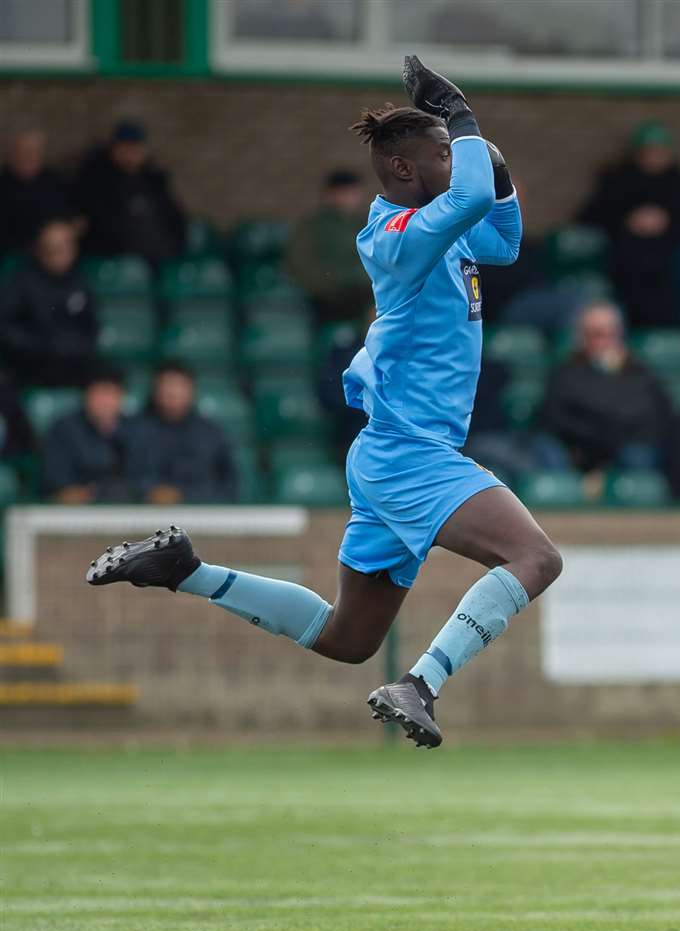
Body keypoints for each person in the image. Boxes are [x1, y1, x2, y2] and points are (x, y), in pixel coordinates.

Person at [87, 57, 560, 751]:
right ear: (404, 170)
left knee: (346, 638)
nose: (457, 165)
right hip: (409, 454)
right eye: (441, 155)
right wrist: (460, 114)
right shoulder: (395, 238)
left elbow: (506, 236)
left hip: (393, 455)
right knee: (536, 559)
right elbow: (468, 198)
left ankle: (186, 570)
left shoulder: (445, 225)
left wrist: (471, 141)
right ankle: (421, 683)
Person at [578, 121, 680, 328]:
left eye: (659, 152)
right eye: (648, 152)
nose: (654, 158)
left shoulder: (679, 181)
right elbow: (589, 216)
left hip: (670, 253)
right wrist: (630, 220)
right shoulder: (620, 179)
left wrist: (666, 221)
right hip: (630, 252)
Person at [539, 300, 674, 482]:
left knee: (638, 456)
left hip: (630, 452)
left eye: (606, 333)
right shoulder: (565, 373)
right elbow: (555, 418)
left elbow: (655, 416)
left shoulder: (641, 374)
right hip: (579, 453)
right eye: (593, 334)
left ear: (619, 333)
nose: (600, 340)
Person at [0, 219, 98, 387]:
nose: (63, 254)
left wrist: (77, 346)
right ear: (41, 250)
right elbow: (6, 327)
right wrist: (41, 346)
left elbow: (92, 325)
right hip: (33, 365)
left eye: (68, 247)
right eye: (56, 248)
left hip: (75, 363)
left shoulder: (79, 280)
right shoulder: (22, 281)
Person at [123, 362, 238, 505]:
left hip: (200, 515)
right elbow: (122, 478)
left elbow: (228, 485)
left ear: (192, 390)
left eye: (179, 385)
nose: (172, 392)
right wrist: (150, 492)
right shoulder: (131, 430)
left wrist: (183, 495)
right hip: (140, 513)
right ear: (155, 390)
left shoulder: (211, 434)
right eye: (166, 385)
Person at [72, 121, 186, 265]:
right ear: (115, 149)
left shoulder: (154, 180)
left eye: (136, 149)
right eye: (126, 149)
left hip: (162, 255)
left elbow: (175, 217)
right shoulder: (96, 179)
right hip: (119, 258)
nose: (131, 156)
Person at [285, 169, 375, 324]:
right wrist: (343, 280)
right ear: (331, 194)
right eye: (345, 193)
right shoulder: (313, 226)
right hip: (329, 297)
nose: (351, 198)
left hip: (364, 290)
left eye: (354, 193)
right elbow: (302, 266)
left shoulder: (363, 224)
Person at [42, 368, 133, 503]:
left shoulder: (135, 430)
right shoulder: (63, 430)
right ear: (86, 396)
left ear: (121, 396)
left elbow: (141, 477)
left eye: (110, 393)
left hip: (127, 509)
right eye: (99, 393)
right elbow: (54, 478)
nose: (105, 401)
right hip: (74, 511)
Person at [0, 130, 76, 256]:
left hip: (55, 253)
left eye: (34, 151)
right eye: (24, 151)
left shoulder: (53, 180)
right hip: (15, 255)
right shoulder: (3, 185)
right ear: (12, 154)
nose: (29, 156)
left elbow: (71, 217)